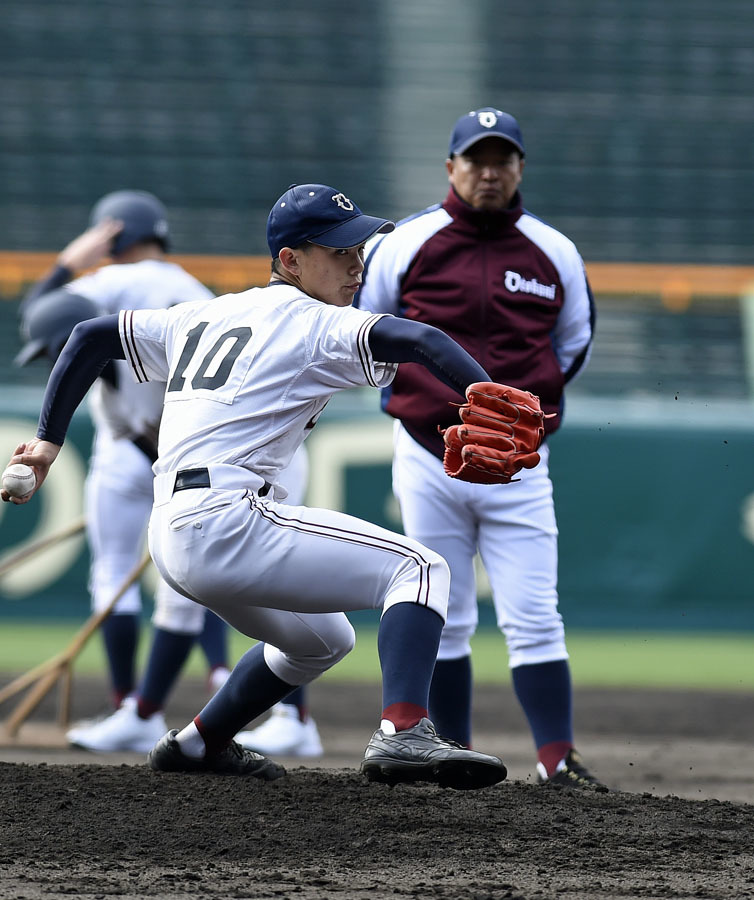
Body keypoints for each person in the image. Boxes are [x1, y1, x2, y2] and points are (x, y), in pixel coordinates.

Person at [1, 182, 515, 789]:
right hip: (228, 519)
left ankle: (199, 743)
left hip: (174, 532)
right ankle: (404, 733)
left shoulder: (206, 312)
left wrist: (47, 445)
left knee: (323, 640)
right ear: (290, 261)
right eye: (338, 251)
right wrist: (485, 394)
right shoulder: (313, 323)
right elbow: (422, 339)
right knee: (422, 570)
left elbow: (89, 337)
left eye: (359, 249)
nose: (356, 264)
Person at [353, 107, 604, 789]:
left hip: (520, 462)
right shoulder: (408, 242)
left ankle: (557, 759)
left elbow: (572, 344)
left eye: (503, 160)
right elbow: (366, 326)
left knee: (534, 614)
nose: (489, 172)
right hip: (426, 451)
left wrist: (523, 418)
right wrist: (409, 397)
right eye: (476, 159)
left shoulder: (552, 249)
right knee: (446, 611)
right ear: (451, 167)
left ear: (520, 168)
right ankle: (452, 748)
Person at [15, 192, 232, 751]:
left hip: (126, 448)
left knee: (113, 573)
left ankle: (125, 707)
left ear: (113, 236)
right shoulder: (194, 292)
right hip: (187, 451)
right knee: (186, 585)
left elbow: (37, 316)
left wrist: (70, 261)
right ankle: (149, 706)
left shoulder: (106, 282)